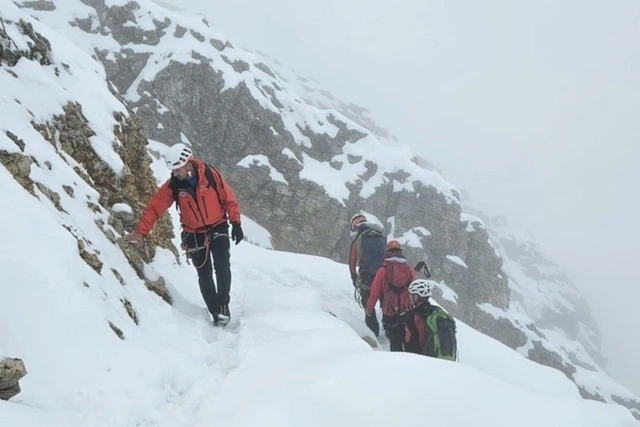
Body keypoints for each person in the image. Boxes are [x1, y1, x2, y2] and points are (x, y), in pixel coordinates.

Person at [124, 143, 243, 326]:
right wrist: (141, 232)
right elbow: (155, 208)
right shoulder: (174, 185)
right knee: (204, 274)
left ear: (189, 163)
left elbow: (228, 198)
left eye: (177, 169)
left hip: (218, 226)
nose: (174, 173)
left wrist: (235, 223)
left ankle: (223, 306)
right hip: (193, 233)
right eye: (172, 170)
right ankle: (214, 311)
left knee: (222, 267)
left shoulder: (210, 175)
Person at [365, 240, 418, 351]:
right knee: (407, 338)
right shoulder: (409, 269)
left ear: (387, 251)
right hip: (407, 310)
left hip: (389, 310)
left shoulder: (383, 270)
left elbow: (374, 292)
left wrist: (369, 309)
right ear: (400, 251)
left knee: (394, 340)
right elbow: (416, 289)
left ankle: (396, 362)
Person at [348, 214, 386, 337]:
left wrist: (354, 277)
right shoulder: (379, 235)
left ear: (355, 226)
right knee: (385, 301)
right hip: (384, 275)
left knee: (368, 303)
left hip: (367, 277)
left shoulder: (358, 240)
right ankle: (391, 328)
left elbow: (352, 261)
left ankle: (372, 333)